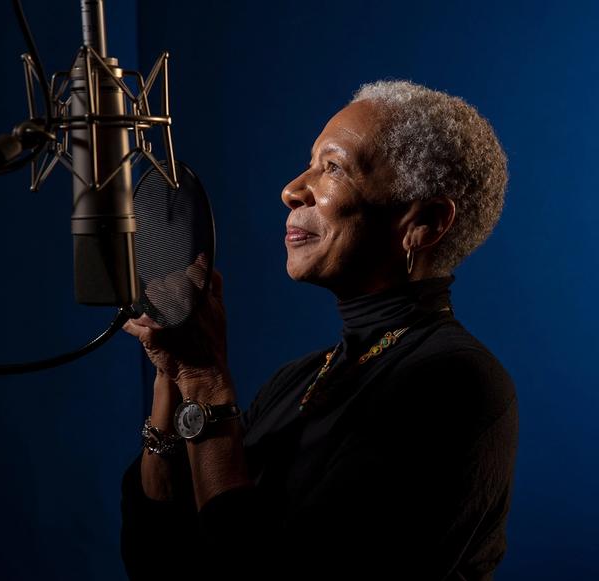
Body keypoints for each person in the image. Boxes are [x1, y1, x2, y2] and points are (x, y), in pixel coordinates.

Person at [120, 79, 519, 581]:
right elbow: (156, 561)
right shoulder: (298, 380)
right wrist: (172, 376)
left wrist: (205, 380)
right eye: (309, 162)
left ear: (425, 222)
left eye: (333, 167)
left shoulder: (458, 384)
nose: (292, 189)